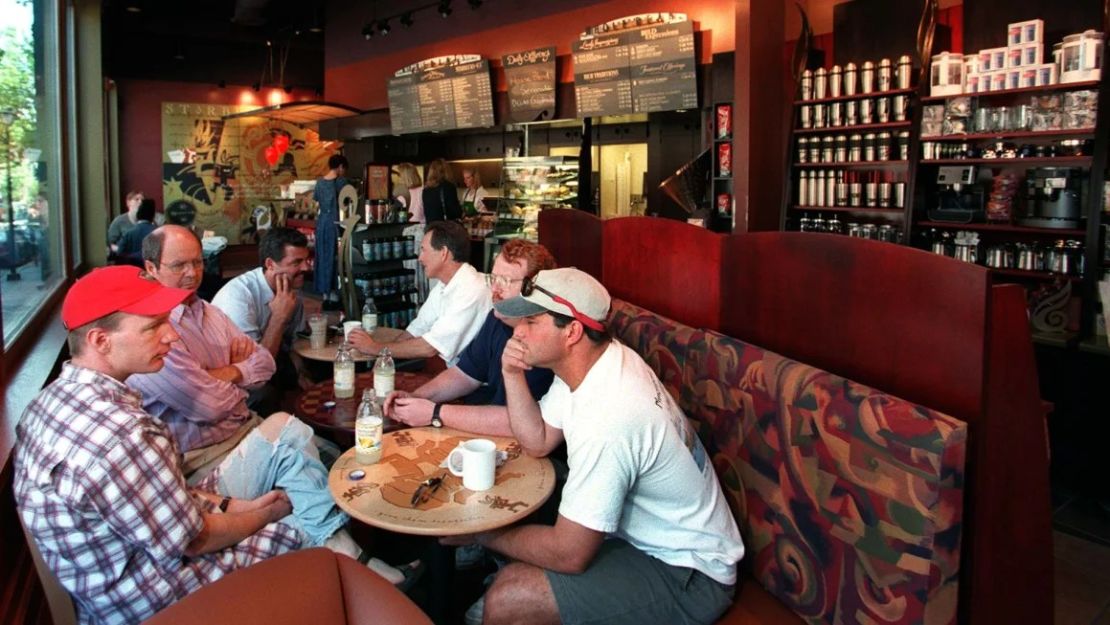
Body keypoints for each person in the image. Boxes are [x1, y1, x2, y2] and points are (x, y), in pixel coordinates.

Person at [12, 266, 409, 625]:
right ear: (100, 341)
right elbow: (194, 539)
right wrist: (268, 513)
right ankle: (355, 586)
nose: (170, 334)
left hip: (109, 584)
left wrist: (232, 506)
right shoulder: (122, 434)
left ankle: (354, 566)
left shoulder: (48, 403)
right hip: (154, 599)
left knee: (291, 447)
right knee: (305, 523)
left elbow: (164, 499)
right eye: (152, 327)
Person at [448, 268, 745, 625]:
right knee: (523, 501)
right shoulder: (593, 363)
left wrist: (482, 532)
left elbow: (569, 553)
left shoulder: (608, 414)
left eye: (531, 321)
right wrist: (512, 375)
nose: (518, 331)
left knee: (510, 597)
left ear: (572, 331)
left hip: (689, 573)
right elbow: (537, 440)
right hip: (644, 540)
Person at [127, 225, 276, 479]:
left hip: (247, 427)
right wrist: (240, 383)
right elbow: (207, 406)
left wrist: (222, 373)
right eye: (179, 265)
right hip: (199, 457)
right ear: (151, 268)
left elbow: (266, 363)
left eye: (197, 262)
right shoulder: (149, 328)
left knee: (326, 456)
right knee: (311, 474)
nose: (192, 273)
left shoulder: (210, 311)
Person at [385, 239, 556, 437]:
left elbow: (520, 423)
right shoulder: (497, 319)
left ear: (533, 288)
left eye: (506, 282)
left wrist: (434, 413)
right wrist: (416, 398)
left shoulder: (545, 339)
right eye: (493, 279)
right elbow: (464, 375)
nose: (495, 290)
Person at [348, 220, 489, 367]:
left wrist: (373, 347)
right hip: (460, 375)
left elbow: (429, 348)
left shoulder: (471, 289)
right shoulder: (444, 285)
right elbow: (417, 329)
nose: (419, 257)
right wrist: (380, 357)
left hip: (478, 384)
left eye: (423, 250)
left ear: (443, 253)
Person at [212, 227, 312, 410]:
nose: (306, 267)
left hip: (270, 360)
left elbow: (294, 344)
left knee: (320, 370)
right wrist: (279, 318)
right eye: (297, 262)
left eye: (306, 260)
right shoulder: (238, 297)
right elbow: (254, 367)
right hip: (231, 376)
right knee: (265, 394)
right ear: (270, 264)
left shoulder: (290, 291)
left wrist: (301, 375)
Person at [313, 154, 349, 299]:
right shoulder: (341, 182)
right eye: (344, 168)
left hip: (322, 223)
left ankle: (324, 292)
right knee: (335, 257)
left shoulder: (320, 182)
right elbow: (347, 203)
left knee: (322, 256)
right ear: (340, 166)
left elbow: (316, 203)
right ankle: (334, 292)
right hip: (335, 223)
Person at [115, 198, 158, 263]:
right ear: (153, 215)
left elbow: (120, 254)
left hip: (132, 269)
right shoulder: (158, 232)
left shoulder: (128, 233)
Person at [421, 158, 462, 223]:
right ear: (446, 171)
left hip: (431, 228)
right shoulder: (448, 187)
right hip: (444, 228)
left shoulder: (426, 190)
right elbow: (455, 212)